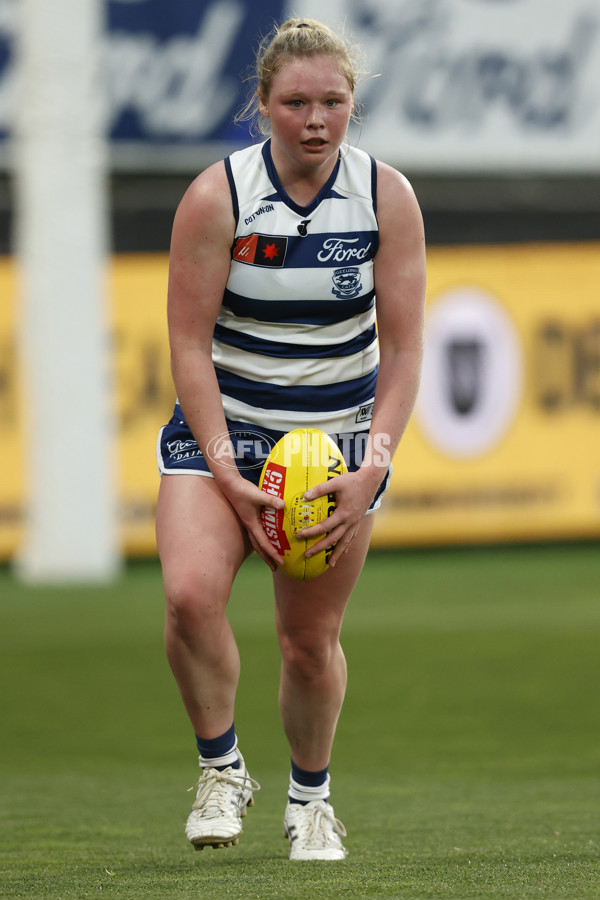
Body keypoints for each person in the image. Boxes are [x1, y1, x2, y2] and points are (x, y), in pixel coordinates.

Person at [155, 17, 426, 861]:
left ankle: (311, 799)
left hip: (336, 443)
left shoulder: (386, 197)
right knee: (191, 596)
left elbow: (408, 347)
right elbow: (188, 346)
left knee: (309, 643)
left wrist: (371, 471)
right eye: (296, 102)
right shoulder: (217, 196)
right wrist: (229, 471)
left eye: (333, 102)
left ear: (353, 105)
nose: (315, 119)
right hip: (221, 433)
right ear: (263, 105)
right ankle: (221, 768)